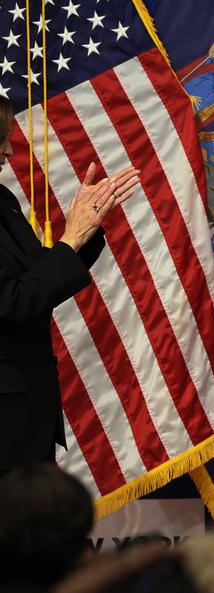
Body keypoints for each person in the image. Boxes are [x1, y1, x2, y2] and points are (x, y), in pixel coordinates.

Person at [0, 95, 140, 470]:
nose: (9, 151)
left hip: (27, 420)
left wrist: (85, 230)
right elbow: (11, 302)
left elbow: (35, 275)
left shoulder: (2, 199)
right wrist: (71, 240)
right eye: (2, 139)